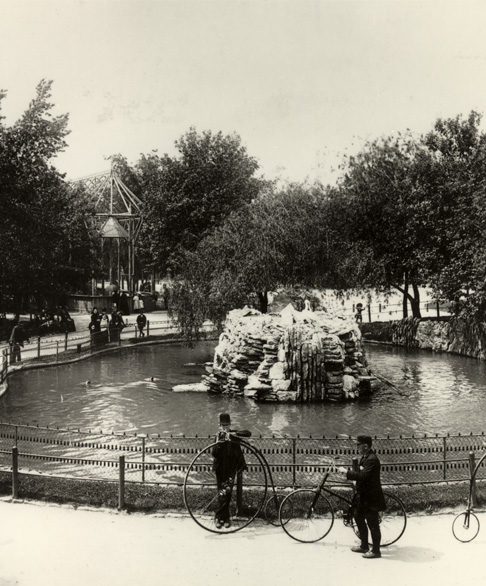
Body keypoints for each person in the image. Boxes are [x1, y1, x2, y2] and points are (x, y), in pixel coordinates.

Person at [339, 435, 386, 559]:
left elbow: (363, 476)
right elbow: (361, 474)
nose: (357, 447)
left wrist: (346, 472)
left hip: (371, 497)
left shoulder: (372, 459)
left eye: (358, 445)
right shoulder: (365, 457)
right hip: (363, 496)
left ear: (365, 446)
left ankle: (376, 551)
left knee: (373, 523)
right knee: (358, 517)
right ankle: (364, 545)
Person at [211, 413, 247, 529]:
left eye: (226, 425)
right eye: (223, 425)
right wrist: (219, 444)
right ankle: (220, 517)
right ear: (219, 425)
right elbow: (214, 453)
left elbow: (239, 451)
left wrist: (242, 465)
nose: (225, 427)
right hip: (220, 468)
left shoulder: (233, 435)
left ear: (230, 424)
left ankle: (223, 518)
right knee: (221, 493)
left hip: (230, 468)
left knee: (228, 492)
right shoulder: (218, 436)